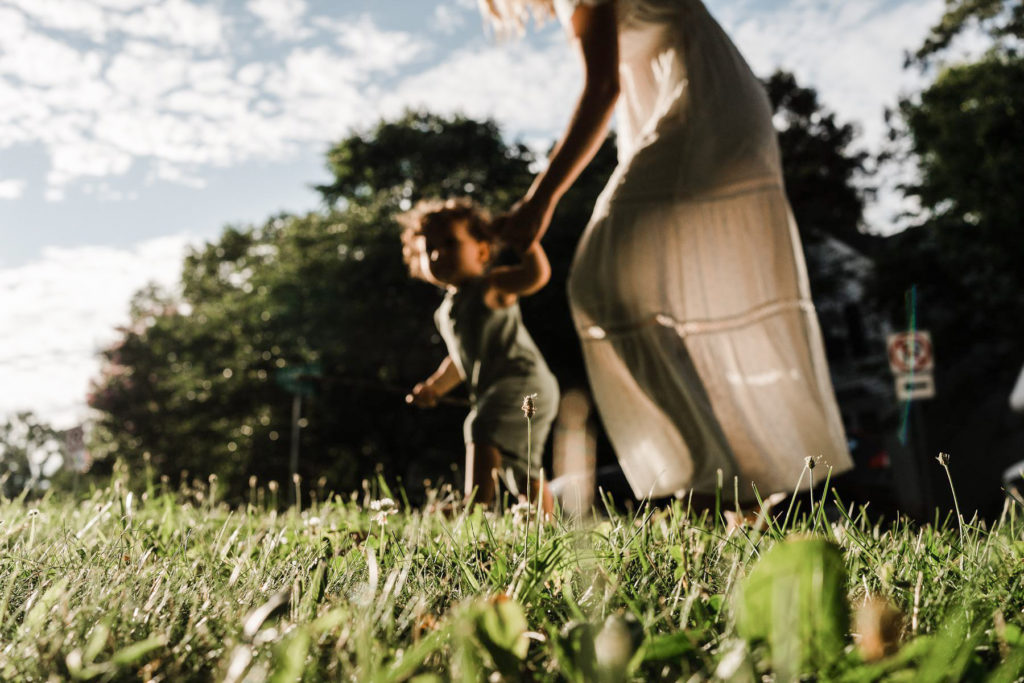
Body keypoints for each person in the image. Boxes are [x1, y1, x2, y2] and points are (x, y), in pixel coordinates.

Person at [480, 0, 853, 501]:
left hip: (703, 114)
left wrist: (539, 202)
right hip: (710, 110)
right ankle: (734, 483)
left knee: (601, 285)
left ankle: (712, 477)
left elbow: (602, 91)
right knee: (648, 295)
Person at [401, 198, 559, 512]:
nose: (437, 253)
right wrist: (434, 387)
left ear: (483, 251)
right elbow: (458, 362)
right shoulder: (445, 312)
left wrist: (526, 244)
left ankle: (476, 508)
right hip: (508, 390)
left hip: (523, 382)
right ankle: (543, 522)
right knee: (520, 467)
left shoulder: (491, 285)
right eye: (429, 248)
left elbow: (535, 276)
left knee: (479, 426)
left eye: (449, 243)